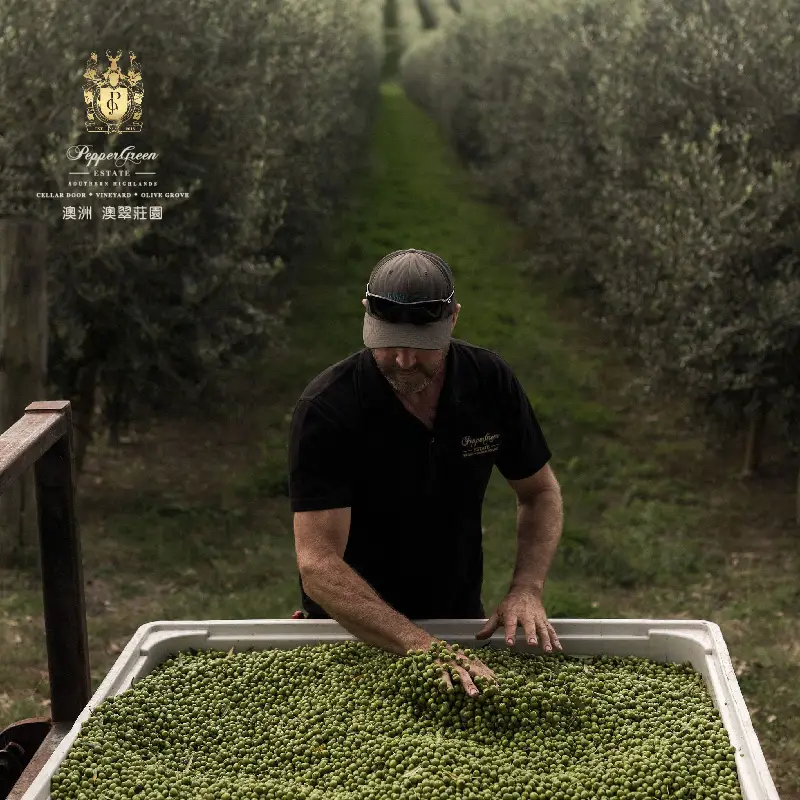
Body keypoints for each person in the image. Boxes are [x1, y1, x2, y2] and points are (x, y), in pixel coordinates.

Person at [287, 248, 564, 696]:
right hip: (354, 634)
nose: (402, 361)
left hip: (456, 617)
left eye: (420, 347)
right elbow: (318, 564)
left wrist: (527, 588)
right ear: (365, 313)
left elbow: (539, 493)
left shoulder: (489, 383)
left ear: (453, 318)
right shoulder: (327, 410)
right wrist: (422, 646)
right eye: (386, 341)